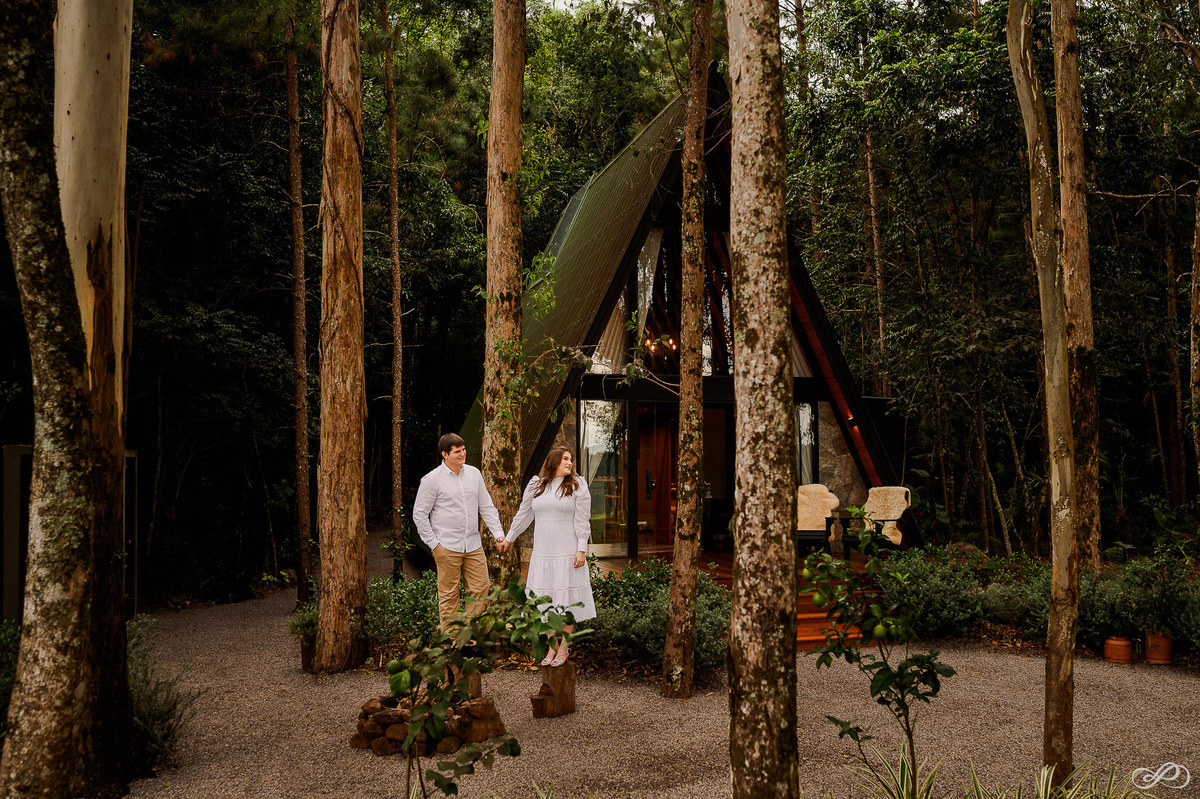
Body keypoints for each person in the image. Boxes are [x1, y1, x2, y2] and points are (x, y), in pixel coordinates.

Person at [498, 446, 596, 667]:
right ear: (553, 461)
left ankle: (563, 647)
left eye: (571, 459)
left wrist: (581, 549)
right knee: (547, 602)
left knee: (567, 603)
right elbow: (523, 515)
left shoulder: (578, 486)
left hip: (568, 553)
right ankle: (552, 645)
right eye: (565, 459)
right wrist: (509, 538)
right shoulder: (536, 485)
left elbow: (583, 520)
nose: (570, 463)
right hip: (543, 554)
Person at [412, 433, 506, 631]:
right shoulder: (431, 480)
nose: (463, 453)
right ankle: (451, 644)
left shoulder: (474, 474)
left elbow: (487, 507)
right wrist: (435, 545)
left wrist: (498, 533)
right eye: (457, 451)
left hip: (473, 544)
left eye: (463, 449)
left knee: (481, 590)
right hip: (446, 546)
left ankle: (468, 637)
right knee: (449, 596)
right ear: (445, 454)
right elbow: (419, 514)